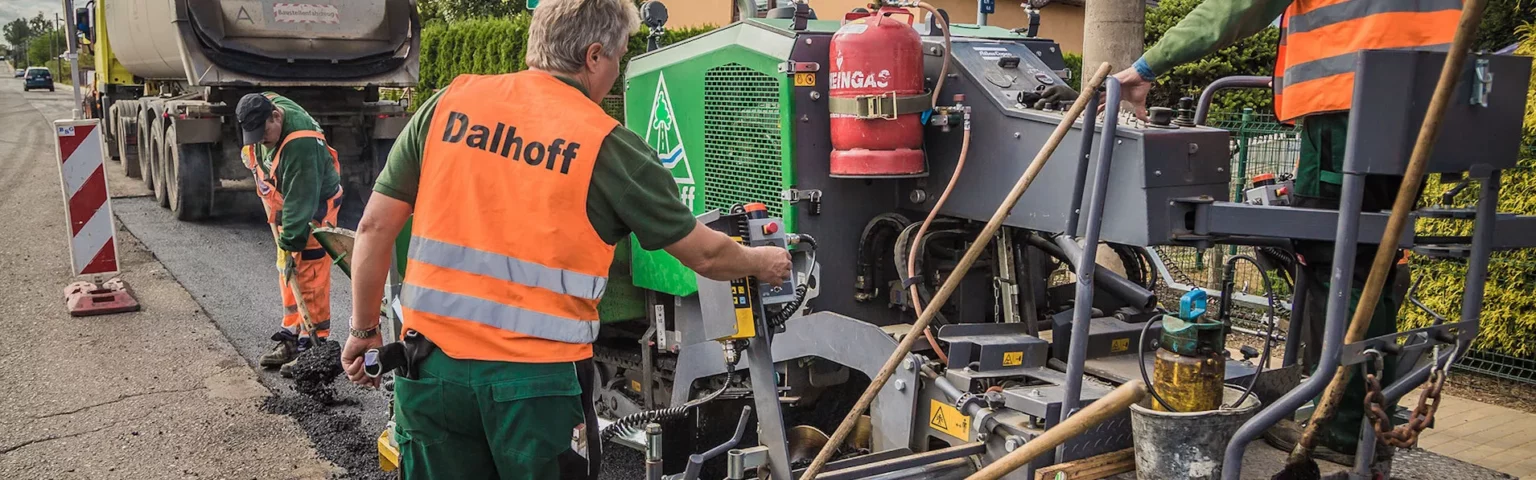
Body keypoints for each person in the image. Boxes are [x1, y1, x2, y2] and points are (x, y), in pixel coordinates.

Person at [339, 0, 793, 477]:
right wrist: (765, 262)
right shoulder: (606, 145)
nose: (616, 71)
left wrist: (364, 331)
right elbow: (706, 254)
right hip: (534, 389)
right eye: (619, 56)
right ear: (594, 56)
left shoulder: (449, 104)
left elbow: (374, 227)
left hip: (431, 374)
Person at [1111, 0, 1460, 464]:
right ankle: (1358, 416)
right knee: (1374, 256)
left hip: (1347, 103)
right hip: (1424, 105)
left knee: (1338, 261)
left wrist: (1146, 67)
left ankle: (1341, 426)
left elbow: (1237, 7)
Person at [235, 92, 344, 373]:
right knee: (288, 271)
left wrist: (290, 242)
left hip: (314, 207)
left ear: (275, 116)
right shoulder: (267, 105)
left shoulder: (301, 144)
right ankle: (292, 335)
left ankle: (314, 345)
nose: (260, 140)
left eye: (263, 134)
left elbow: (302, 201)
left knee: (308, 270)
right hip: (290, 201)